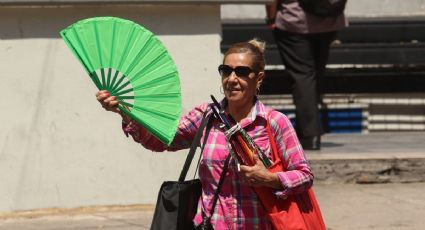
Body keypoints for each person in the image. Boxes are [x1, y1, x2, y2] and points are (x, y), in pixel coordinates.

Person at [96, 39, 313, 229]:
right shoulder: (207, 116)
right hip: (210, 224)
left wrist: (270, 179)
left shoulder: (273, 122)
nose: (232, 78)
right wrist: (124, 112)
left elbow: (304, 175)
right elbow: (161, 141)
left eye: (242, 72)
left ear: (259, 78)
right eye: (226, 70)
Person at [266, 0, 348, 150]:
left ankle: (310, 134)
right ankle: (308, 130)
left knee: (303, 76)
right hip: (329, 21)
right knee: (316, 74)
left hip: (294, 21)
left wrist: (271, 18)